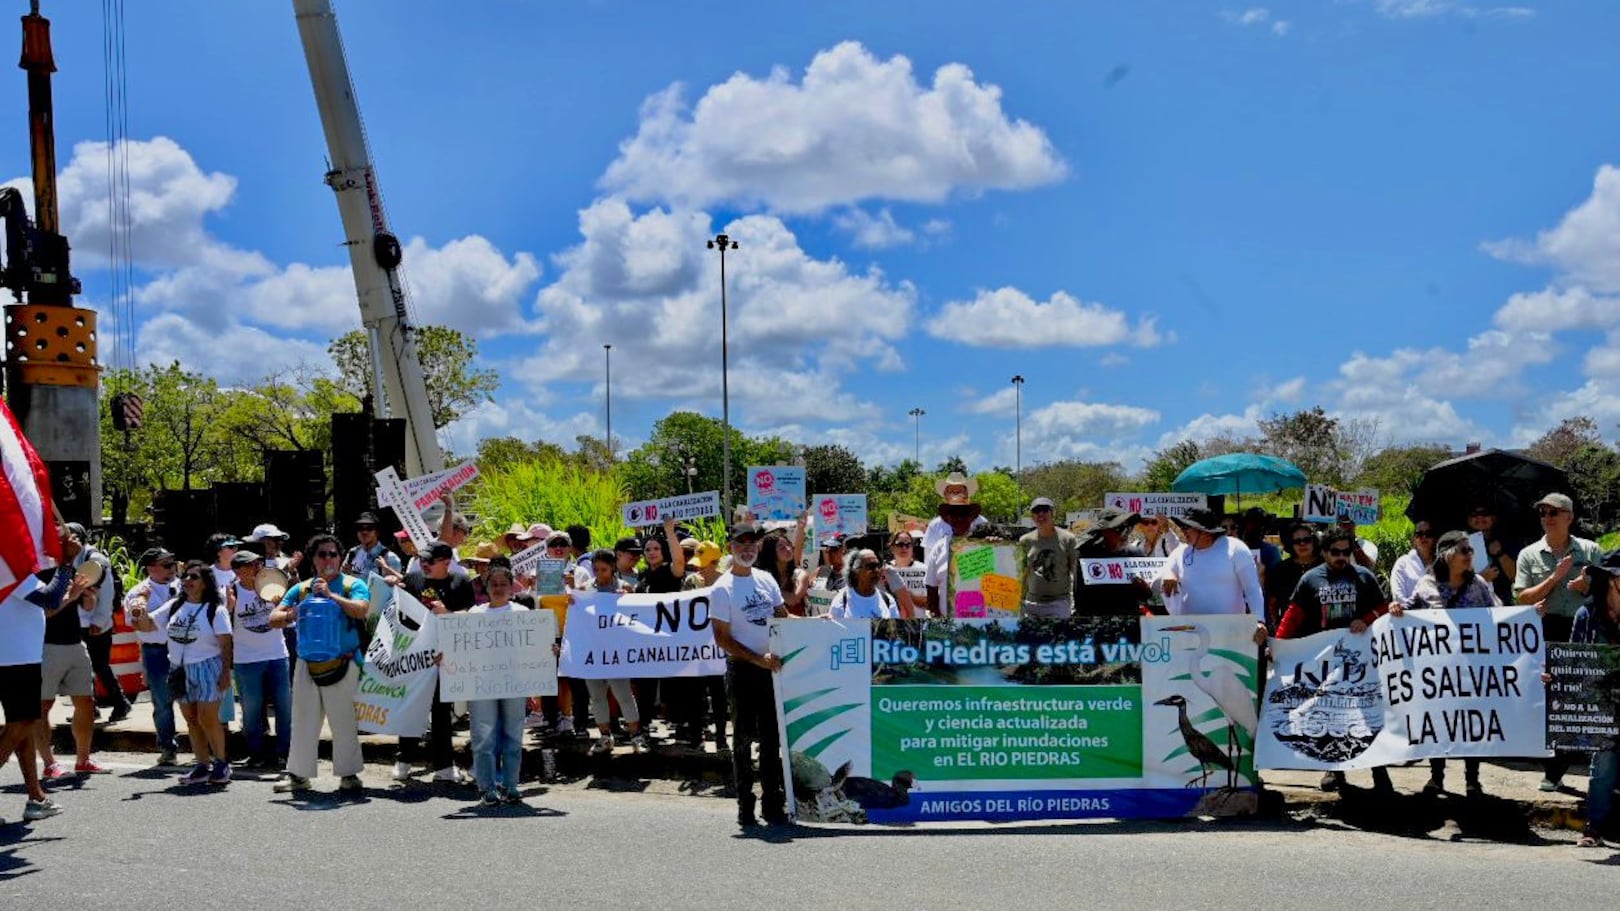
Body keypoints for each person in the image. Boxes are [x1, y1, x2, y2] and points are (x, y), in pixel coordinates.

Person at [1275, 527, 1392, 794]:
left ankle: (1380, 769)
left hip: (1361, 660)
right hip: (1326, 662)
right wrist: (1278, 645)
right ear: (1324, 552)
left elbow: (1384, 608)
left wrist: (1367, 618)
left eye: (1346, 552)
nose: (1341, 557)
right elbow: (1293, 615)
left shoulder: (1364, 576)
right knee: (1332, 715)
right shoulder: (1310, 579)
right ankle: (1335, 769)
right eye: (1335, 552)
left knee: (1368, 714)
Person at [1390, 531, 1507, 797]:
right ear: (1448, 555)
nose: (1469, 555)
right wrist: (1396, 609)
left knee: (1471, 723)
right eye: (1464, 550)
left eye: (1470, 550)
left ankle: (1472, 780)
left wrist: (1528, 615)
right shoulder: (1426, 584)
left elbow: (1499, 613)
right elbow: (1407, 610)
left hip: (1471, 667)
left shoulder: (1477, 584)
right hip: (1438, 670)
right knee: (1439, 721)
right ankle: (1436, 776)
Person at [1514, 492, 1603, 792]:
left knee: (1574, 695)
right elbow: (1522, 596)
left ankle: (1558, 766)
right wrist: (1555, 578)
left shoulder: (1590, 550)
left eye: (1554, 512)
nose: (1547, 517)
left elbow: (1610, 588)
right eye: (1543, 512)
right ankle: (1551, 762)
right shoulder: (1529, 553)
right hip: (1545, 628)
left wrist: (1588, 585)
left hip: (1582, 628)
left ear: (1569, 517)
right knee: (1546, 697)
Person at [270, 534, 370, 794]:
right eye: (322, 554)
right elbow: (274, 617)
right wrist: (298, 610)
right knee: (303, 721)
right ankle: (298, 776)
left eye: (333, 554)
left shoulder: (352, 585)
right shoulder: (301, 589)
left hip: (343, 663)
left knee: (344, 721)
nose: (328, 559)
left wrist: (331, 596)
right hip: (307, 664)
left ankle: (349, 775)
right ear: (313, 559)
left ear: (340, 557)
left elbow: (361, 609)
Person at [709, 520, 789, 827]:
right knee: (741, 740)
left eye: (752, 543)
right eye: (741, 543)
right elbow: (722, 638)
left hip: (772, 669)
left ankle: (772, 803)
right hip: (743, 670)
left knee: (772, 740)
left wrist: (818, 623)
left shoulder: (766, 579)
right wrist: (758, 659)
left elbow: (783, 618)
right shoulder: (722, 588)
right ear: (731, 547)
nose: (747, 548)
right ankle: (745, 804)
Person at [132, 560, 234, 786]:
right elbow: (146, 626)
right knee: (191, 720)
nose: (187, 580)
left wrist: (226, 672)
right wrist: (141, 606)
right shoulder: (174, 607)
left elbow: (225, 644)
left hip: (207, 666)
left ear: (206, 583)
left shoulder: (215, 610)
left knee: (208, 718)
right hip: (179, 669)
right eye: (186, 576)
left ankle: (221, 763)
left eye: (194, 577)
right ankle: (201, 765)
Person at [1, 563, 83, 822]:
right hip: (15, 660)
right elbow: (49, 597)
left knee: (22, 726)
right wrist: (67, 563)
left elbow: (41, 611)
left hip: (16, 658)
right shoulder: (10, 568)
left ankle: (35, 797)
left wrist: (71, 596)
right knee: (23, 722)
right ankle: (35, 797)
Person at [395, 542, 475, 783]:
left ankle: (444, 765)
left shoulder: (461, 583)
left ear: (446, 562)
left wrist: (448, 613)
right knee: (411, 708)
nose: (424, 564)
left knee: (442, 713)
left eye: (430, 560)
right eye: (422, 559)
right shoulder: (411, 580)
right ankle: (404, 759)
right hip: (414, 655)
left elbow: (473, 617)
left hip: (445, 656)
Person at [36, 525, 108, 777]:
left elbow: (87, 606)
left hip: (76, 644)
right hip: (46, 647)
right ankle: (49, 764)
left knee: (86, 703)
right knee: (43, 706)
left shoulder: (72, 570)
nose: (74, 540)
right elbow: (45, 612)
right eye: (67, 537)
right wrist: (72, 595)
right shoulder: (39, 573)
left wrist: (88, 596)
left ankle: (83, 759)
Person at [1569, 550, 1620, 847]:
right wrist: (1558, 678)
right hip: (1602, 703)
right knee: (1602, 766)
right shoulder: (1587, 615)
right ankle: (1593, 829)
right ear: (1612, 581)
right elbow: (1574, 659)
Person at [468, 565, 530, 806]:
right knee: (483, 736)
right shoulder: (474, 615)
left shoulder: (523, 613)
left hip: (514, 683)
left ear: (511, 586)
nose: (498, 588)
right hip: (481, 684)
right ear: (486, 587)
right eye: (494, 584)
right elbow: (461, 649)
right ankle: (486, 787)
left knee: (513, 735)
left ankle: (511, 785)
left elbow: (533, 648)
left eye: (503, 584)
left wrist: (547, 652)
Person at [227, 551, 291, 770]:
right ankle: (257, 753)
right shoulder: (230, 591)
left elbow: (288, 614)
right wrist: (229, 606)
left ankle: (285, 752)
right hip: (246, 659)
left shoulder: (272, 585)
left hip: (277, 654)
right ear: (239, 570)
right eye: (252, 565)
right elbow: (223, 622)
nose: (257, 567)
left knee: (284, 705)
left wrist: (281, 604)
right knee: (251, 709)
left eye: (258, 563)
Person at [580, 549, 646, 755]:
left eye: (604, 569)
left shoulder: (624, 587)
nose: (599, 573)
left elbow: (638, 612)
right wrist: (573, 601)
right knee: (597, 696)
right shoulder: (584, 589)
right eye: (596, 569)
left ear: (613, 568)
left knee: (623, 694)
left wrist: (628, 599)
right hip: (593, 651)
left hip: (616, 652)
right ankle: (604, 737)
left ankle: (636, 737)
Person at [1157, 508, 1265, 626]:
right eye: (1182, 526)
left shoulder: (1236, 548)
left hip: (1230, 630)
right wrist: (1170, 575)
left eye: (1187, 527)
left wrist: (1259, 620)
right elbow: (1168, 569)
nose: (1182, 531)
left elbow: (1252, 588)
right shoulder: (1181, 551)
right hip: (1191, 631)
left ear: (1204, 532)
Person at [66, 523, 129, 723]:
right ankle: (89, 707)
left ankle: (120, 703)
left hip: (95, 622)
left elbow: (107, 593)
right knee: (80, 667)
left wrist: (99, 621)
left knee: (100, 665)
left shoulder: (95, 559)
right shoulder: (64, 558)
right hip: (75, 621)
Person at [124, 548, 180, 764]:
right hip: (156, 650)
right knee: (162, 701)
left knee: (194, 698)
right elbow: (141, 626)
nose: (171, 569)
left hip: (184, 648)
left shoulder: (183, 586)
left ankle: (203, 749)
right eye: (166, 565)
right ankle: (168, 748)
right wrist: (143, 603)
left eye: (172, 564)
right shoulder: (138, 592)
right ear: (151, 568)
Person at [681, 540, 730, 752]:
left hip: (721, 646)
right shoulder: (691, 581)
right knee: (694, 694)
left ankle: (721, 738)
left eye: (704, 562)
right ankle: (695, 737)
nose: (699, 567)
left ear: (716, 562)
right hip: (697, 646)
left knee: (719, 694)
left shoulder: (728, 583)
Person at [924, 473, 991, 618]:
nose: (958, 519)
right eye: (954, 514)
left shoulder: (984, 544)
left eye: (963, 514)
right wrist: (935, 613)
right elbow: (931, 583)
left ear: (971, 517)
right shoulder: (939, 545)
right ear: (948, 518)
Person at [1074, 508, 1150, 619]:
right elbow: (1080, 599)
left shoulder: (1136, 554)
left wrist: (1144, 589)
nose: (1125, 534)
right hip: (1098, 623)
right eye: (1120, 529)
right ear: (1105, 531)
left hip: (1129, 621)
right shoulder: (1087, 556)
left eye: (1128, 528)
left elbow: (1147, 596)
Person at [1020, 497, 1079, 619]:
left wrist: (1078, 603)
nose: (1040, 514)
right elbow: (1022, 573)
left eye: (1045, 510)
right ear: (1032, 516)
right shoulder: (1025, 541)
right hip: (1031, 603)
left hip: (1059, 602)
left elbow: (1075, 571)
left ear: (1053, 513)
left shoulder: (1068, 539)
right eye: (1036, 511)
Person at [1264, 524, 1322, 630]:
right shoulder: (1280, 569)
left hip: (1322, 631)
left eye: (1307, 540)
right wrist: (1276, 624)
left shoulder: (1326, 565)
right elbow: (1272, 602)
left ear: (1314, 541)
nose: (1302, 544)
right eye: (1297, 541)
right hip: (1290, 631)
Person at [1468, 502, 1518, 605]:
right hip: (1470, 604)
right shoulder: (1458, 544)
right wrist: (1481, 578)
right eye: (1474, 514)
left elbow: (1516, 577)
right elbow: (1451, 582)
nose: (1480, 517)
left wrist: (1500, 553)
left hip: (1503, 603)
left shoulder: (1506, 540)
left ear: (1493, 518)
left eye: (1484, 513)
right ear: (1468, 520)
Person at [827, 550, 899, 619]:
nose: (876, 570)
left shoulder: (888, 600)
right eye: (871, 566)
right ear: (855, 572)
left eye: (878, 565)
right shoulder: (842, 600)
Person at [758, 528, 811, 616]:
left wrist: (768, 588)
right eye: (782, 548)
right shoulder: (763, 575)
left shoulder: (800, 574)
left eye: (789, 545)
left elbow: (793, 599)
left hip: (796, 624)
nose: (788, 549)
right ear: (771, 553)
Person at [1389, 519, 1439, 607]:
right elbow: (1398, 597)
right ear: (1414, 539)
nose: (1424, 537)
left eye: (1428, 534)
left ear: (1435, 538)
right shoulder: (1403, 563)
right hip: (1411, 617)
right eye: (1419, 534)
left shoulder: (1442, 563)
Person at [882, 530, 927, 619]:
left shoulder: (924, 569)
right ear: (892, 547)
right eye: (900, 544)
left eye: (908, 545)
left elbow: (931, 603)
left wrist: (906, 596)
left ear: (912, 547)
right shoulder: (884, 571)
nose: (904, 548)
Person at [343, 512, 401, 578]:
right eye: (360, 528)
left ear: (377, 532)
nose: (364, 532)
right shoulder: (352, 553)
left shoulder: (390, 557)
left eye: (369, 528)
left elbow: (397, 585)